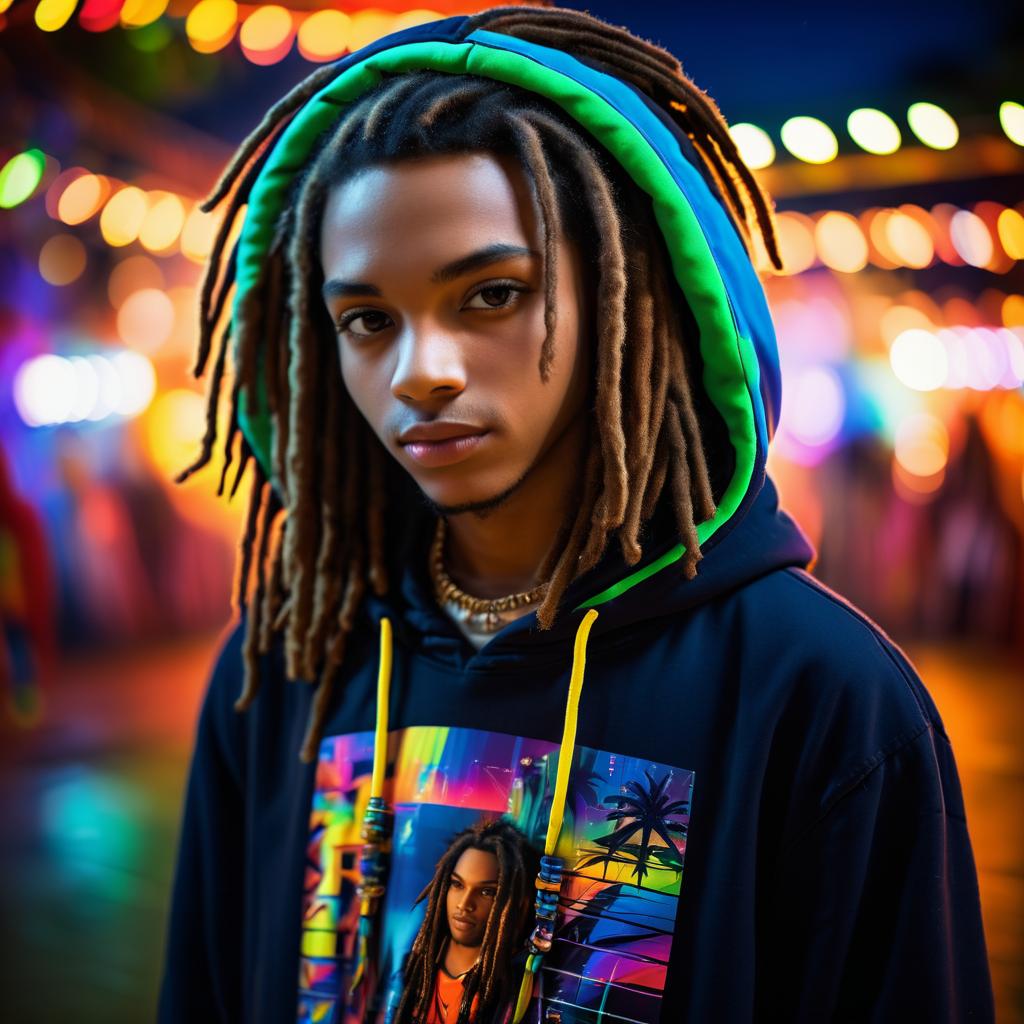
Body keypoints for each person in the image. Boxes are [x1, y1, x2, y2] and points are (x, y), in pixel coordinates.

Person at [158, 6, 995, 1022]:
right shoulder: (284, 671)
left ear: (627, 294)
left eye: (491, 295)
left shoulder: (822, 697)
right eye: (367, 320)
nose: (422, 371)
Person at [389, 819, 539, 1024]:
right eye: (457, 884)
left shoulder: (516, 986)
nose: (464, 904)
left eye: (487, 892)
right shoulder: (416, 964)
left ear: (517, 902)